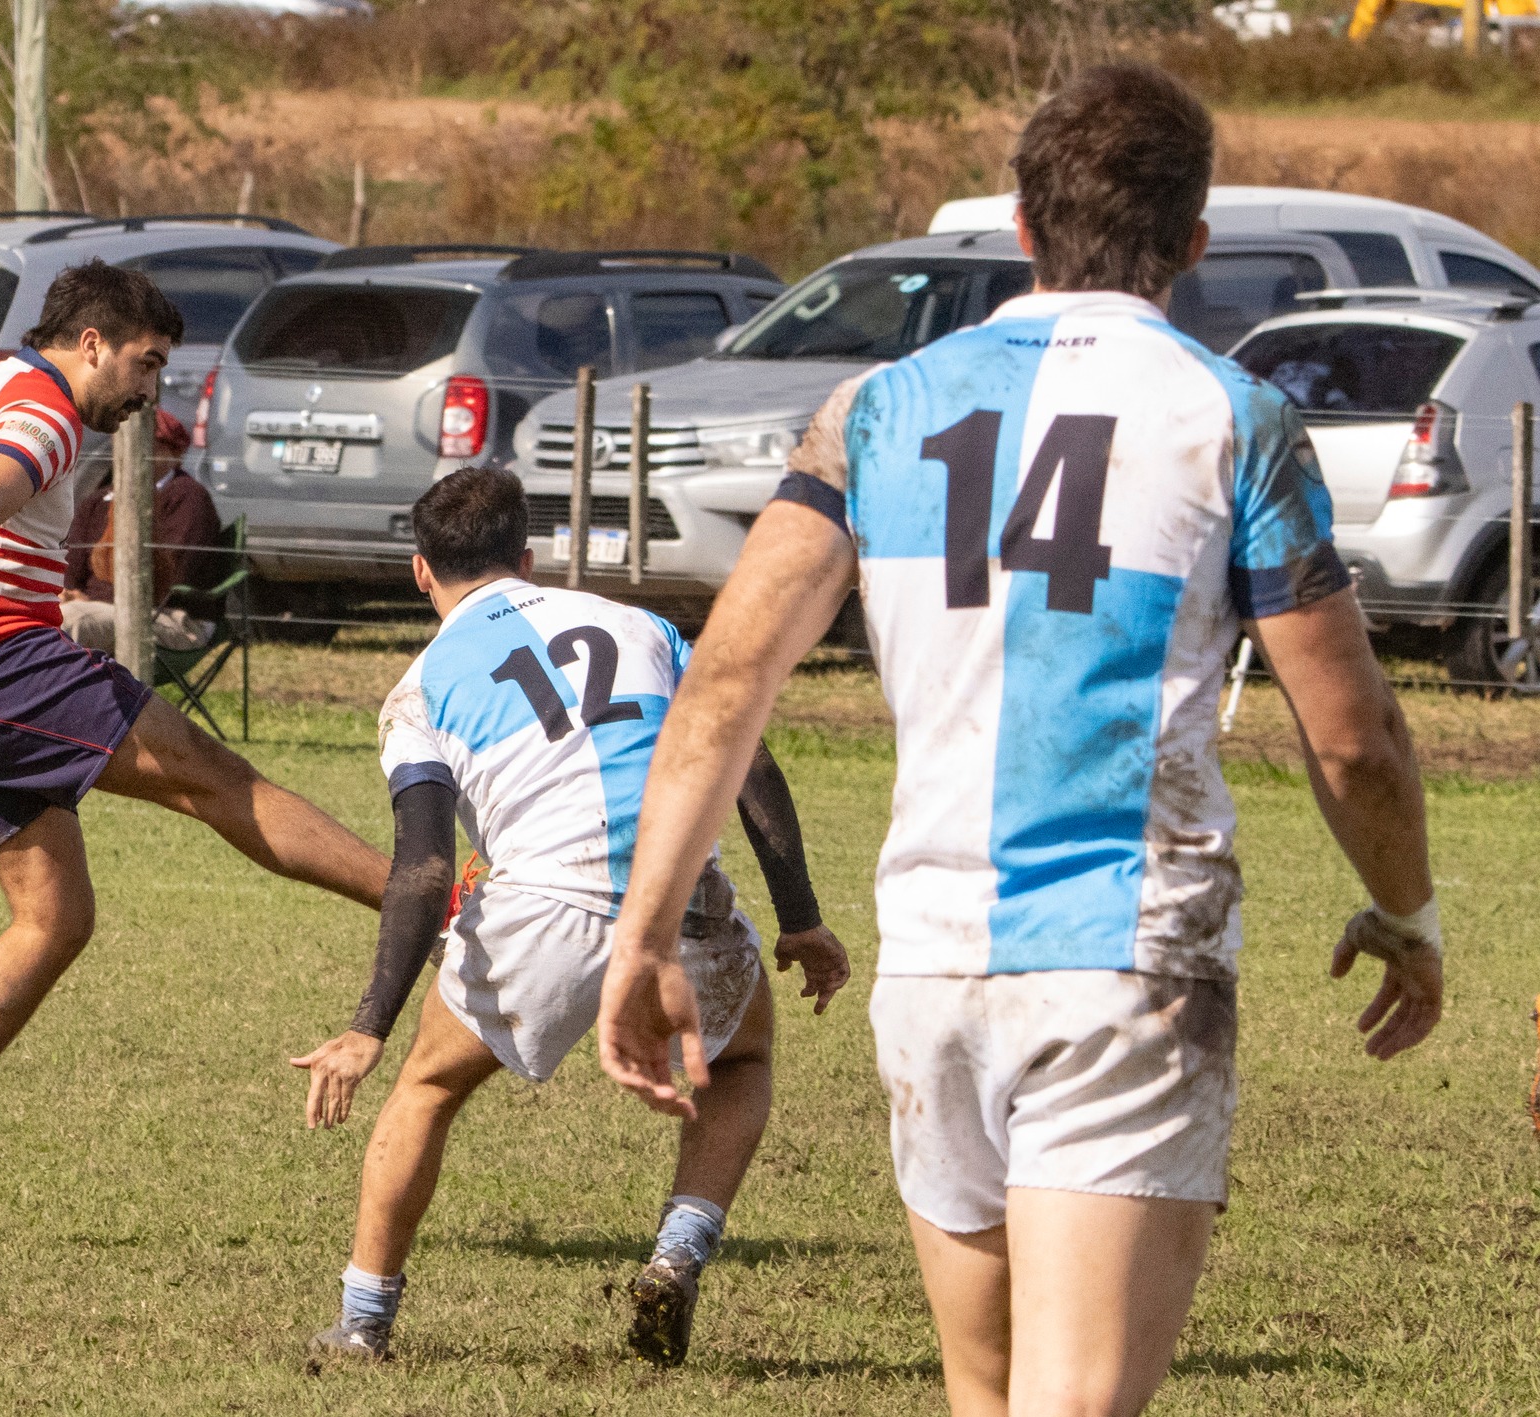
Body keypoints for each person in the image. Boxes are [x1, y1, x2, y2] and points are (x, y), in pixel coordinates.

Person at [594, 63, 1444, 1417]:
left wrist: (640, 936)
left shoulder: (872, 409)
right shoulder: (1231, 413)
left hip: (933, 972)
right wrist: (1408, 907)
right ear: (1195, 244)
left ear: (1025, 231)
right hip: (1122, 963)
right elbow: (1352, 738)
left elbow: (724, 686)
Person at [0, 259, 390, 1240]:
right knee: (219, 783)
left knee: (54, 917)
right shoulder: (43, 408)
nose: (150, 391)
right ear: (91, 344)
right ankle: (425, 898)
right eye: (146, 364)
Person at [291, 468, 850, 1368]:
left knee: (429, 1089)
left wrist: (369, 1026)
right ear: (528, 558)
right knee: (740, 1061)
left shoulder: (418, 689)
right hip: (676, 898)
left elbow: (426, 866)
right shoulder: (643, 626)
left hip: (540, 907)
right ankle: (677, 1251)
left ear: (419, 573)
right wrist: (800, 918)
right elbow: (744, 751)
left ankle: (363, 1321)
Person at [59, 408, 219, 654]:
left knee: (71, 622)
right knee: (36, 620)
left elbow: (172, 575)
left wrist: (91, 601)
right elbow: (72, 561)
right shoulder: (99, 499)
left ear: (174, 451)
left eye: (146, 443)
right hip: (94, 606)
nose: (132, 452)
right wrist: (70, 592)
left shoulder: (188, 497)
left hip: (166, 615)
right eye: (122, 443)